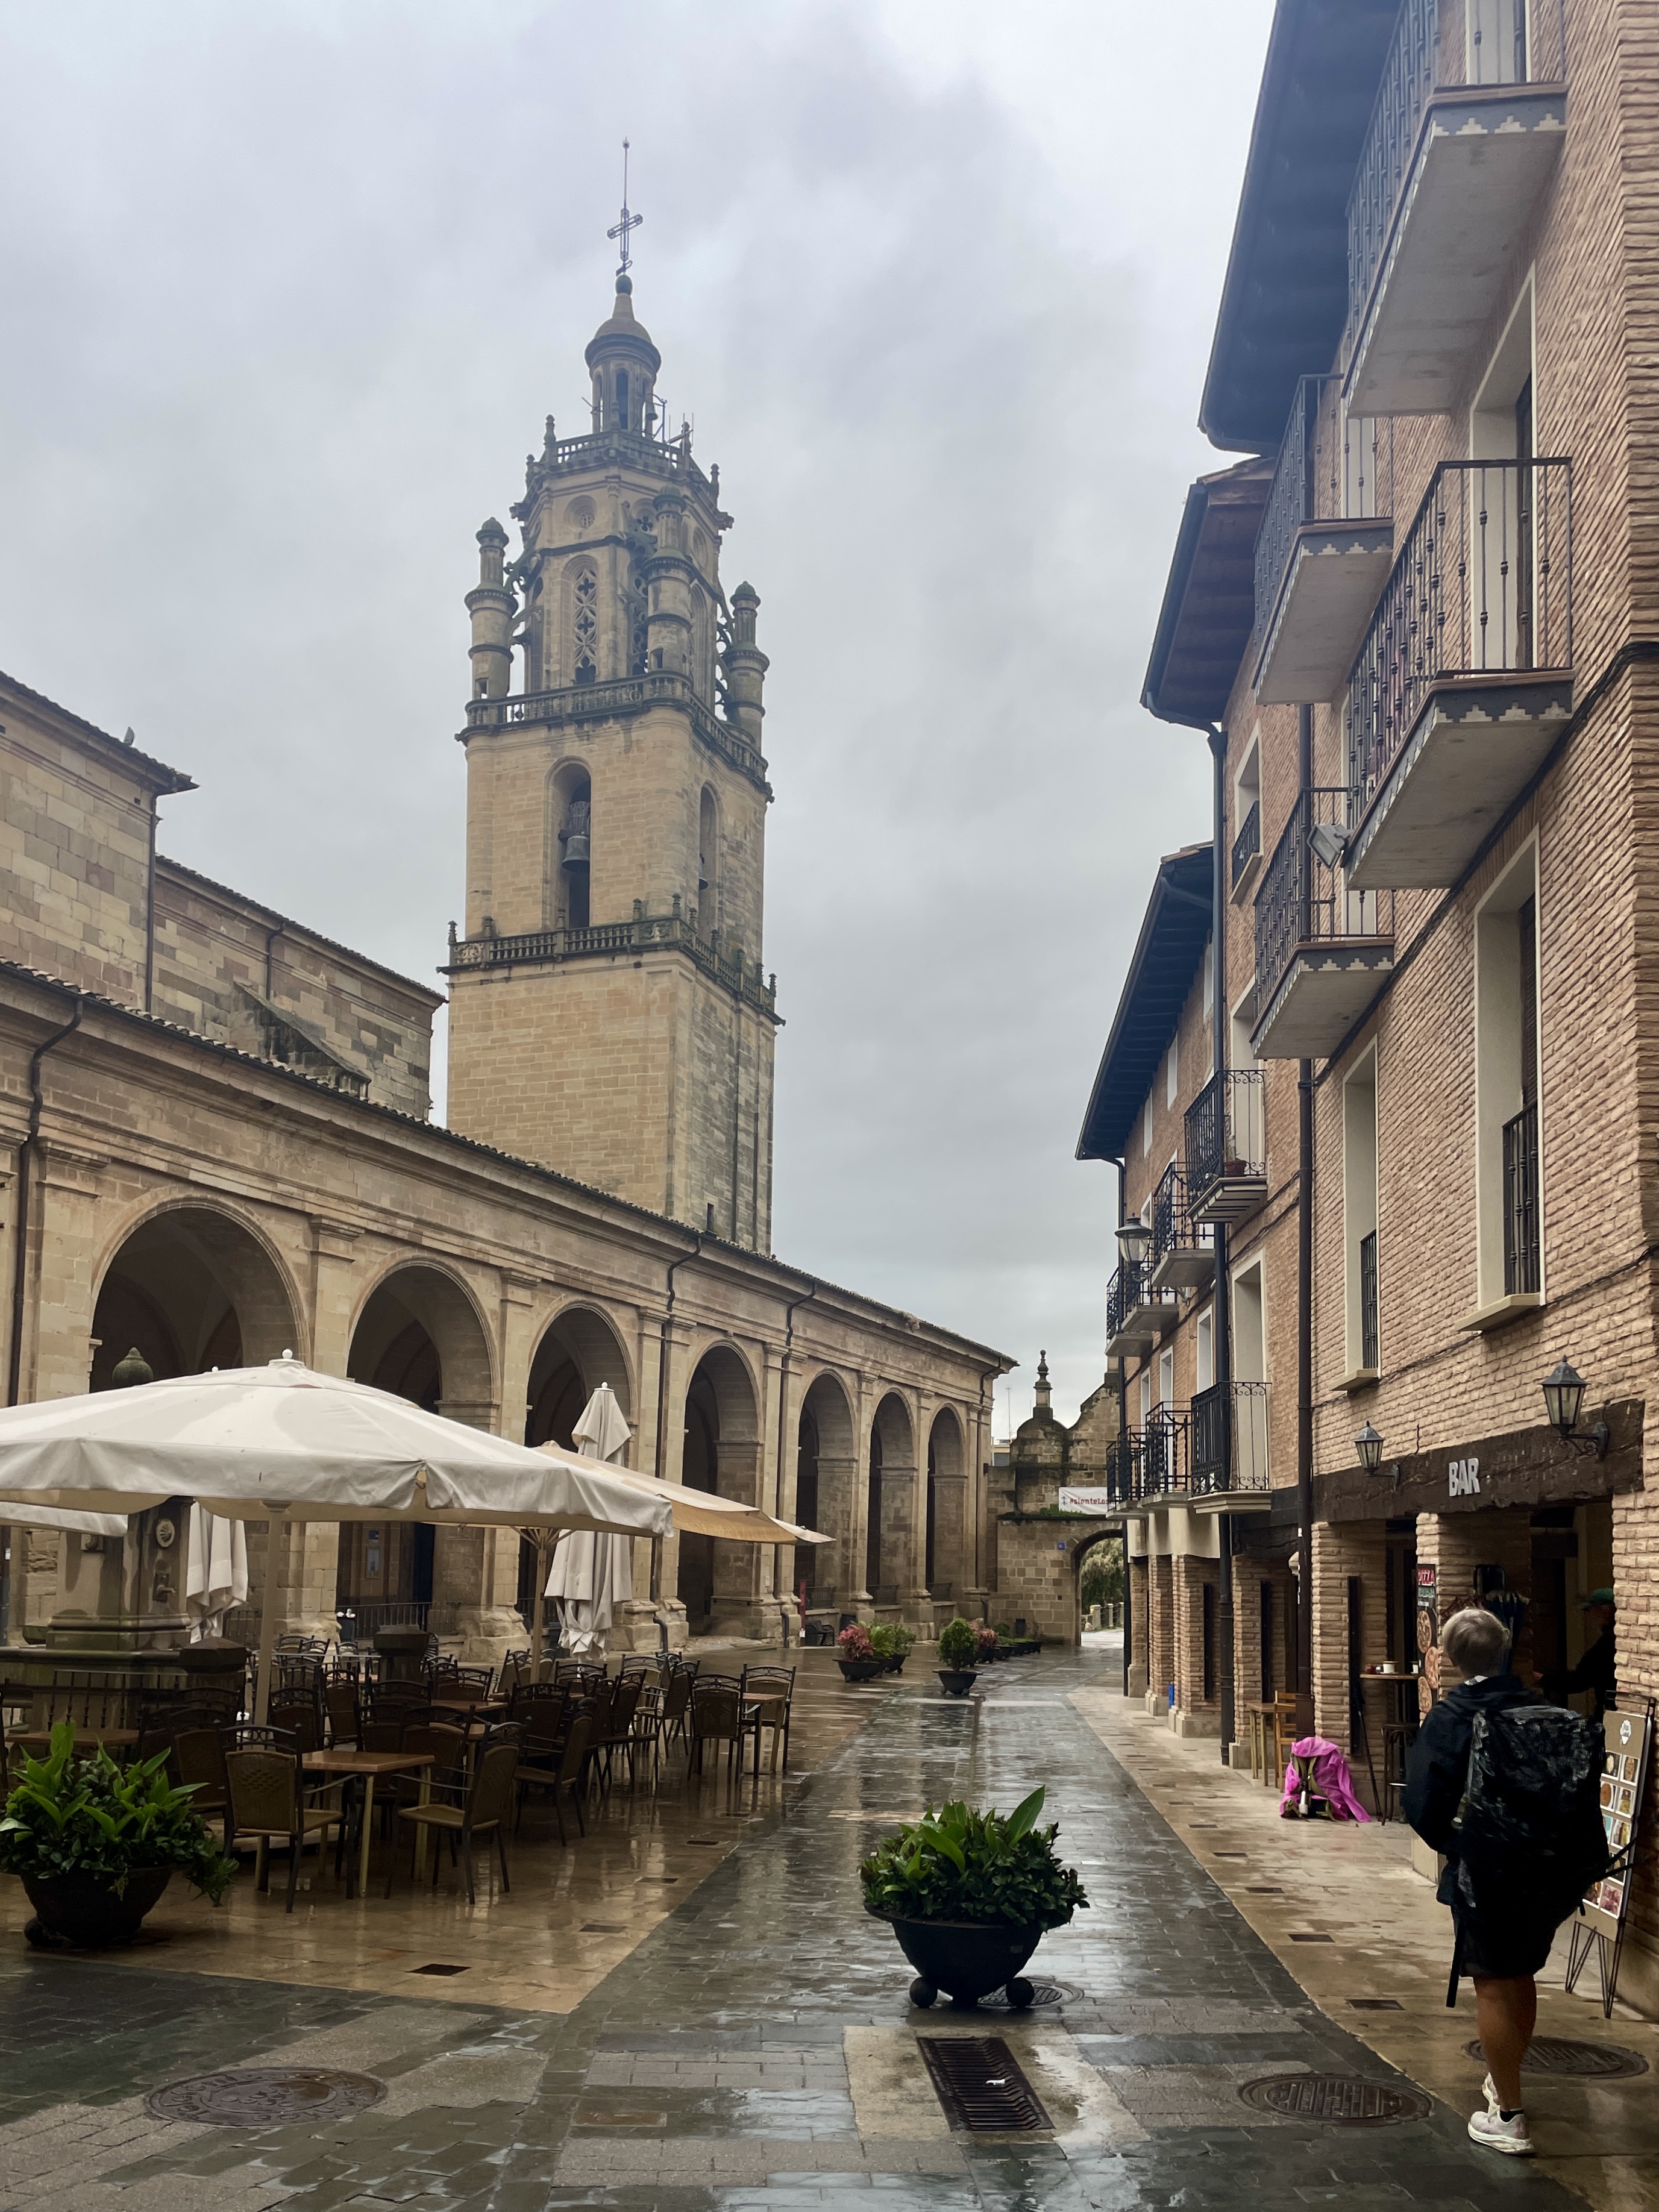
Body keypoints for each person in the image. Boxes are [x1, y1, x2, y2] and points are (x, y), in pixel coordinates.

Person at [1403, 1607, 1549, 2157]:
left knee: (1491, 1978)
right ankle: (1503, 2075)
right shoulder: (1536, 1707)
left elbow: (1422, 1802)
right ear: (1503, 1649)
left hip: (1482, 1869)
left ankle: (1508, 2114)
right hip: (1541, 1865)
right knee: (1521, 1972)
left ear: (1448, 1657)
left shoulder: (1451, 1717)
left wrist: (1456, 1844)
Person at [1546, 1590, 1615, 1718]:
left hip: (1611, 1712)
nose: (1590, 1617)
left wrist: (1544, 1679)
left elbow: (1580, 1680)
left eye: (1591, 1611)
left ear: (1605, 1611)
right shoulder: (1618, 1639)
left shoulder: (1607, 1643)